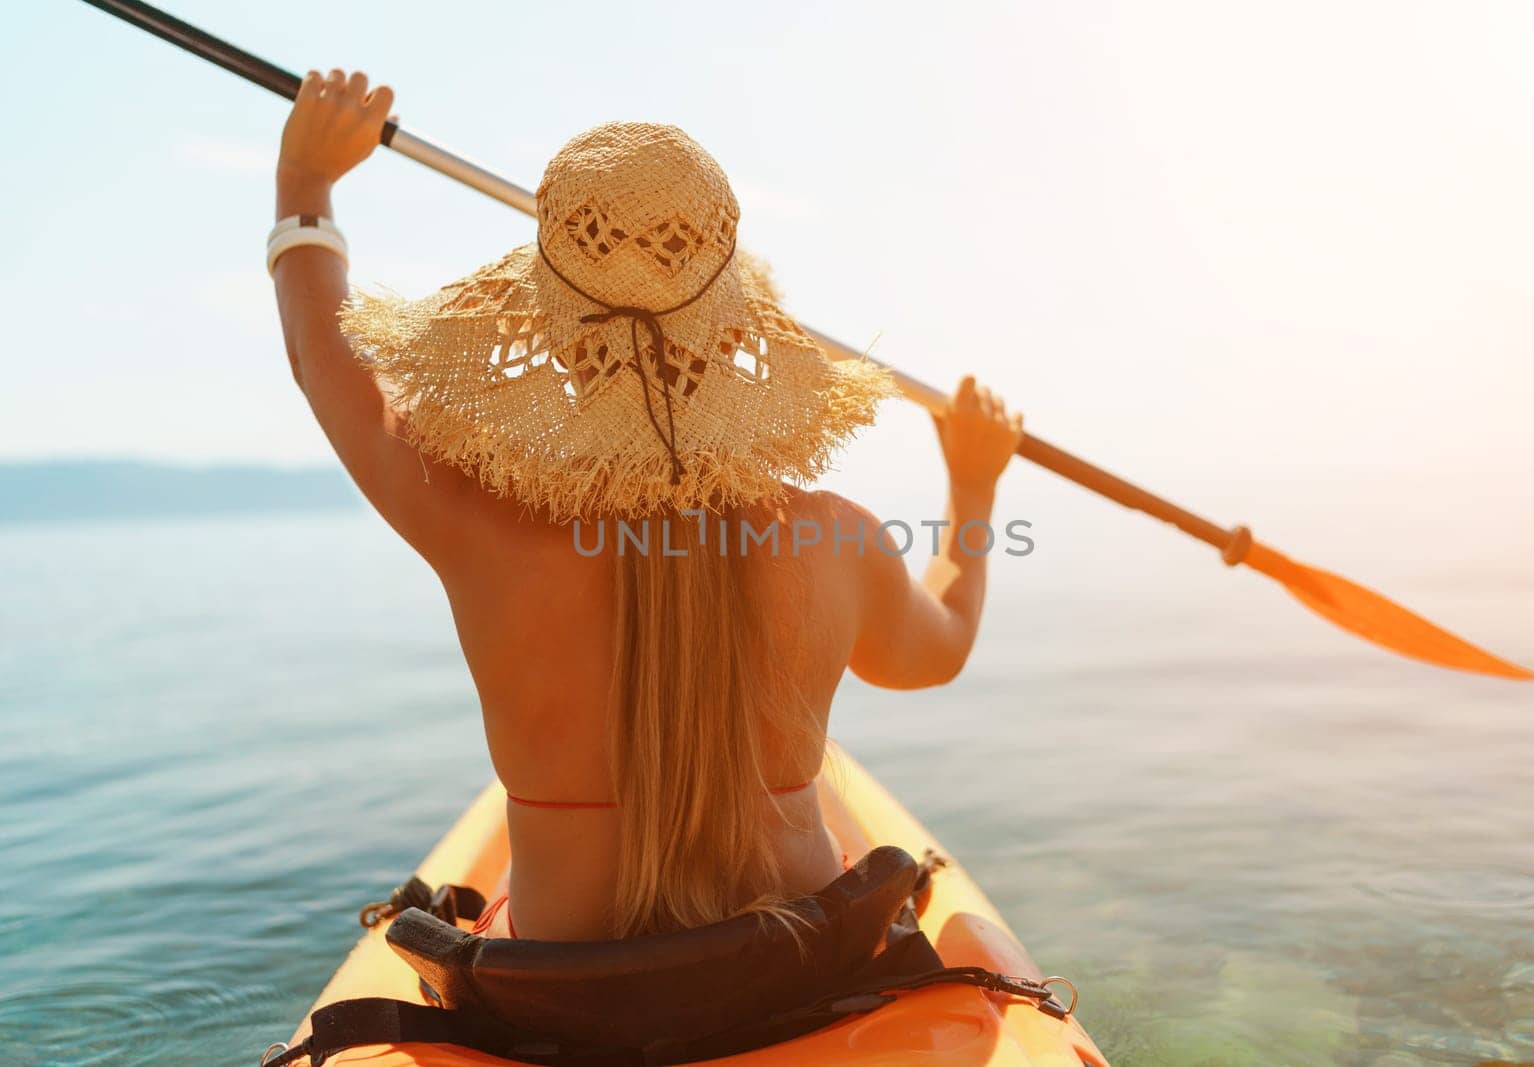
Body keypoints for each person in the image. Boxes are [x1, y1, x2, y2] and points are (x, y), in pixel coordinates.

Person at [270, 70, 1023, 942]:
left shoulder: (476, 524)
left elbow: (322, 356)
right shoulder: (832, 539)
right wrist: (973, 489)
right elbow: (942, 647)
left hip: (572, 1003)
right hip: (805, 977)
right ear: (739, 328)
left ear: (548, 331)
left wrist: (307, 187)